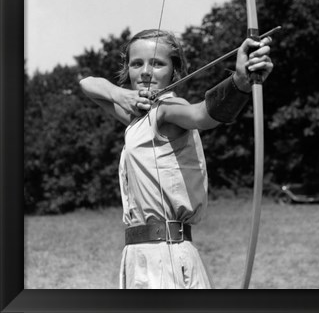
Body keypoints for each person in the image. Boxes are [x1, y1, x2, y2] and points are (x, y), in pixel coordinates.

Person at [79, 29, 273, 289]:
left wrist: (239, 81)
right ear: (127, 68)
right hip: (140, 255)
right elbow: (87, 84)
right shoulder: (138, 118)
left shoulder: (167, 110)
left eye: (157, 63)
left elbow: (201, 115)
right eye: (137, 63)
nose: (146, 71)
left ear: (174, 70)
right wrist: (120, 94)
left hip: (165, 255)